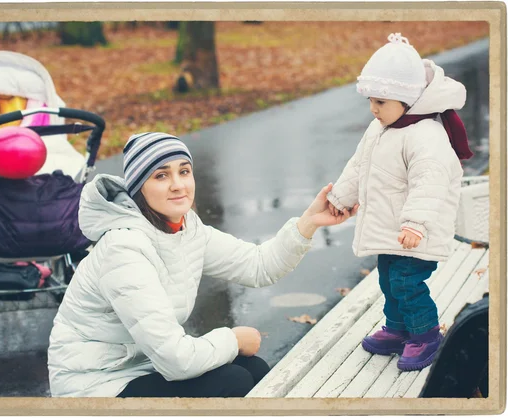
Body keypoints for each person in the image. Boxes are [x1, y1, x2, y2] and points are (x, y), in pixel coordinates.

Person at [48, 132, 358, 397]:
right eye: (160, 176)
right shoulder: (124, 248)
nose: (177, 185)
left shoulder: (185, 230)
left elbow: (258, 266)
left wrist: (309, 223)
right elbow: (175, 360)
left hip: (143, 365)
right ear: (138, 188)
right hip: (95, 385)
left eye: (184, 171)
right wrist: (233, 339)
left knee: (252, 369)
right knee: (232, 381)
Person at [326, 33, 473, 371]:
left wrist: (415, 223)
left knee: (407, 283)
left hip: (414, 232)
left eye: (381, 101)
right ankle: (397, 329)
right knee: (388, 280)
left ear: (407, 100)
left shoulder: (426, 136)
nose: (373, 109)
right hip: (392, 232)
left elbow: (430, 183)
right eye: (371, 101)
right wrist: (340, 197)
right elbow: (359, 165)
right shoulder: (381, 128)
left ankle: (425, 335)